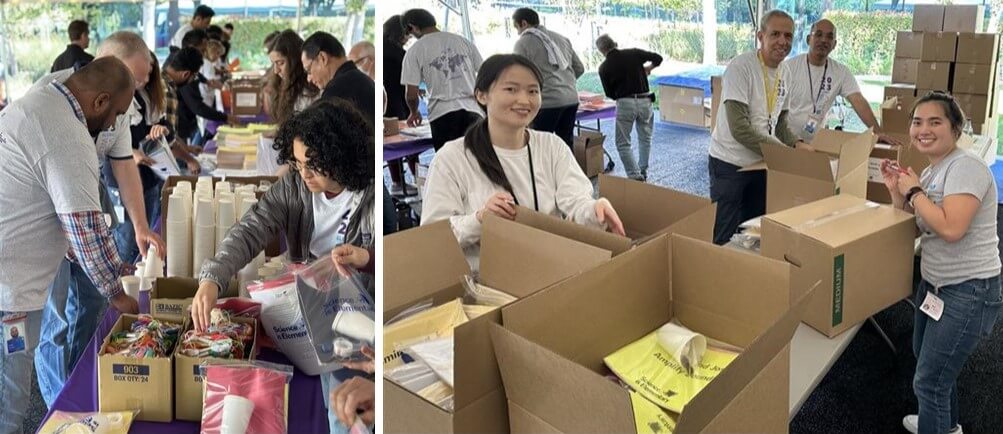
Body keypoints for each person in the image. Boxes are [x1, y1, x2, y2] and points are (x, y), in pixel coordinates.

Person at [190, 100, 375, 434]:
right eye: (298, 162)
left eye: (314, 165)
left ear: (341, 157)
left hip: (358, 318)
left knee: (349, 411)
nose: (304, 174)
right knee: (330, 397)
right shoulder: (294, 186)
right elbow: (252, 228)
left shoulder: (371, 195)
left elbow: (392, 256)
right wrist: (213, 277)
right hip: (312, 309)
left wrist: (367, 258)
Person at [0, 57, 140, 433]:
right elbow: (87, 229)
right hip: (9, 296)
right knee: (9, 407)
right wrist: (118, 292)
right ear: (99, 101)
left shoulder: (42, 99)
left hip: (11, 280)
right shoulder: (66, 134)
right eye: (116, 114)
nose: (113, 125)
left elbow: (62, 217)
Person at [30, 32, 167, 407]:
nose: (135, 90)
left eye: (139, 82)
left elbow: (123, 165)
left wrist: (140, 225)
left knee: (89, 302)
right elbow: (69, 208)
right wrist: (116, 286)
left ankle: (82, 383)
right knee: (55, 318)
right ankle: (63, 410)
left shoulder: (119, 102)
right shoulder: (54, 99)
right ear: (104, 63)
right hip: (45, 213)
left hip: (88, 198)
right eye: (132, 79)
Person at [422, 54, 625, 271]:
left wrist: (595, 209)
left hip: (549, 272)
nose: (524, 100)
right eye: (511, 89)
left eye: (533, 91)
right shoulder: (452, 158)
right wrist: (480, 219)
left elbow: (575, 201)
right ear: (481, 95)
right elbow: (434, 239)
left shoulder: (551, 146)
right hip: (485, 285)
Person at [879, 92, 1001, 434]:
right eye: (917, 122)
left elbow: (950, 228)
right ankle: (946, 426)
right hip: (936, 287)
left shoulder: (966, 167)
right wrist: (896, 191)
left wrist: (915, 192)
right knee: (932, 364)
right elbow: (914, 226)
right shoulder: (933, 172)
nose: (923, 129)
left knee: (930, 381)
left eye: (936, 121)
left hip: (968, 291)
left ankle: (938, 422)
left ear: (956, 128)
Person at [708, 9, 804, 245]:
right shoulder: (741, 67)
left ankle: (747, 276)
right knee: (725, 232)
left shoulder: (786, 71)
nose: (783, 41)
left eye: (788, 36)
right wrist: (782, 153)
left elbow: (780, 123)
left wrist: (797, 144)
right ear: (760, 36)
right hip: (730, 164)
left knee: (754, 229)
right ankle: (717, 276)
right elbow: (739, 128)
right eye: (775, 34)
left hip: (762, 163)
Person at [785, 19, 900, 145]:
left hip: (814, 144)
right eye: (818, 34)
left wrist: (877, 132)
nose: (823, 40)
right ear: (808, 39)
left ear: (834, 44)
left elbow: (858, 100)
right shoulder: (789, 68)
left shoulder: (840, 72)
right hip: (786, 140)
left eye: (829, 37)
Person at [400, 8, 484, 151]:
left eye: (410, 33)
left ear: (412, 27)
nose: (412, 36)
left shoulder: (415, 50)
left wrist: (414, 112)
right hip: (473, 110)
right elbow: (484, 73)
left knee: (449, 167)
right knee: (478, 161)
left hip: (442, 115)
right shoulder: (463, 41)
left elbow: (411, 94)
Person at [512, 7, 584, 147]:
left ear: (524, 23)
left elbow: (518, 74)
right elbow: (579, 68)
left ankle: (544, 170)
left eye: (517, 27)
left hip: (547, 102)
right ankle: (566, 169)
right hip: (571, 99)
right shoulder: (562, 38)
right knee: (565, 144)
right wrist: (565, 81)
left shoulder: (523, 42)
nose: (518, 32)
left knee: (540, 146)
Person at [596, 34, 661, 182]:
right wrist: (648, 68)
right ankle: (643, 170)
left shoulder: (604, 67)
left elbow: (610, 94)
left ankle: (634, 175)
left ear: (601, 50)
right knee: (645, 138)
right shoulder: (633, 53)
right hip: (645, 100)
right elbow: (658, 58)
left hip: (625, 103)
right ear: (615, 43)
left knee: (623, 142)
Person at [302, 31, 375, 121]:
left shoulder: (336, 91)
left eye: (308, 70)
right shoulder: (365, 80)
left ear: (322, 58)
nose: (308, 79)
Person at [383, 15, 419, 195]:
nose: (408, 37)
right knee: (410, 141)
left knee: (390, 144)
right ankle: (417, 178)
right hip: (398, 101)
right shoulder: (398, 53)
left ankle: (397, 181)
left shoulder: (382, 49)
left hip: (386, 103)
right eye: (407, 34)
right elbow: (407, 81)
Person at [162, 47, 209, 174]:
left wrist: (187, 148)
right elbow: (167, 139)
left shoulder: (160, 79)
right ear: (186, 74)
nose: (192, 81)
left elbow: (169, 131)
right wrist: (190, 160)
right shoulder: (168, 91)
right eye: (194, 77)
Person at [267, 30, 321, 127]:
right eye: (273, 63)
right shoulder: (283, 85)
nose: (276, 70)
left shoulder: (311, 91)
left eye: (280, 63)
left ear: (295, 61)